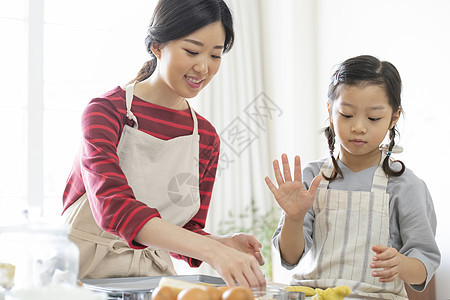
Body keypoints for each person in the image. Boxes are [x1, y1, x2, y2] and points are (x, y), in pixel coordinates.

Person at [62, 0, 266, 288]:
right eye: (192, 51)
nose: (203, 67)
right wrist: (213, 251)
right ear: (157, 46)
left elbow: (181, 230)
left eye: (216, 55)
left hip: (151, 279)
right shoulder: (106, 112)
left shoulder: (206, 138)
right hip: (80, 274)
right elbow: (113, 207)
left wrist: (223, 243)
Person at [265, 55, 440, 299]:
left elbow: (424, 268)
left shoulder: (405, 185)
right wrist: (294, 218)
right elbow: (290, 258)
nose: (358, 127)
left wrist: (401, 264)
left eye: (373, 118)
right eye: (346, 114)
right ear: (330, 110)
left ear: (394, 117)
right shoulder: (312, 177)